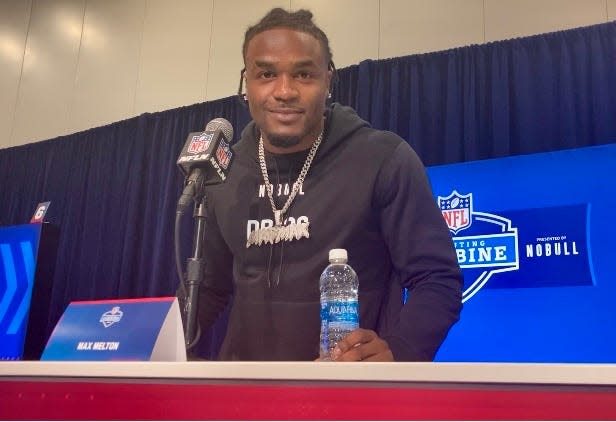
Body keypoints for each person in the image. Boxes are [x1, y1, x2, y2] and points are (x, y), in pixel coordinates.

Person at [193, 8, 462, 361]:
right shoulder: (225, 170)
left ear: (328, 80)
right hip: (247, 392)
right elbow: (208, 289)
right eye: (266, 74)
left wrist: (399, 352)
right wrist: (148, 344)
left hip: (346, 393)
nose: (284, 91)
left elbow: (437, 278)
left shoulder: (382, 158)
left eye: (303, 74)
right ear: (246, 82)